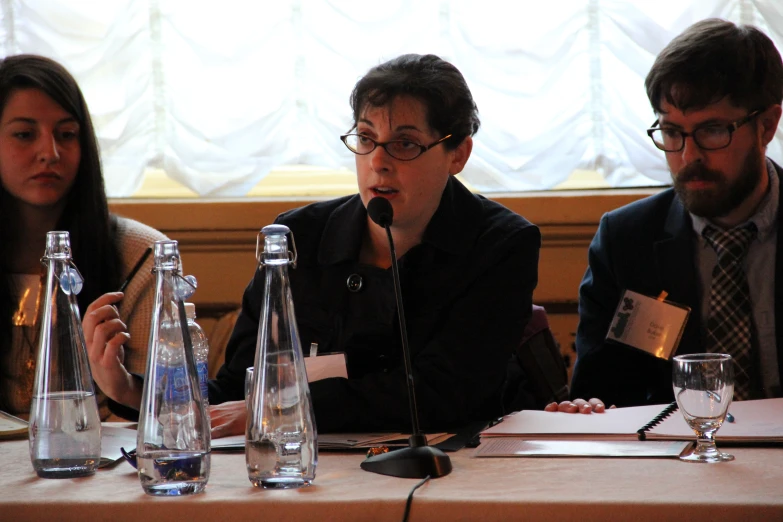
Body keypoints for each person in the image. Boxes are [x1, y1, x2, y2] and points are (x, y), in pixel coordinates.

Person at [92, 53, 541, 435]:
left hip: (447, 479)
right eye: (366, 139)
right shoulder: (298, 238)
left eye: (404, 143)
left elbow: (447, 395)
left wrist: (281, 410)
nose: (378, 163)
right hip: (299, 473)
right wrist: (131, 389)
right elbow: (238, 389)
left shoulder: (501, 245)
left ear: (458, 154)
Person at [566, 19, 783, 412]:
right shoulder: (627, 239)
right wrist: (587, 409)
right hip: (675, 461)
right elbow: (597, 390)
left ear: (766, 126)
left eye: (712, 131)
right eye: (671, 132)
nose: (688, 157)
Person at [0, 54, 166, 420]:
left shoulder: (142, 256)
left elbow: (164, 411)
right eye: (25, 135)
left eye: (67, 135)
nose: (50, 153)